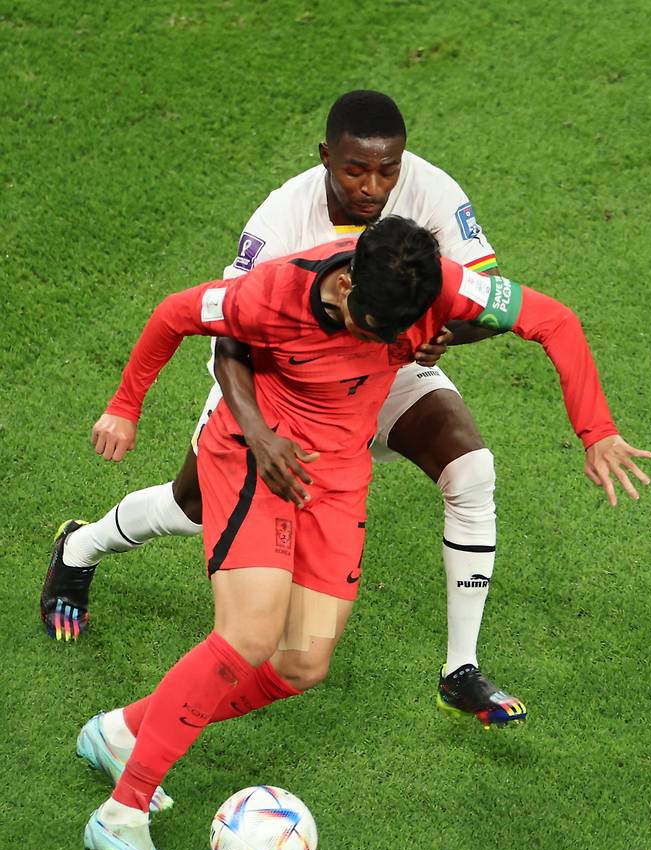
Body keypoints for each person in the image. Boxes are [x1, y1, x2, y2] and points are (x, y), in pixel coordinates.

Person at [77, 217, 651, 850]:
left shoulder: (431, 287)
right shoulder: (273, 293)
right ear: (345, 284)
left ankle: (121, 735)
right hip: (257, 457)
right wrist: (124, 406)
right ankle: (123, 811)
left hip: (339, 474)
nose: (385, 344)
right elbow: (175, 316)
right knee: (250, 635)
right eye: (375, 327)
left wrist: (597, 431)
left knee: (302, 663)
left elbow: (553, 320)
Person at [41, 90, 522, 726]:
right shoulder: (282, 218)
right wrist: (260, 434)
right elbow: (226, 335)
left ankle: (459, 670)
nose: (373, 186)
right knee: (192, 509)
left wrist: (444, 334)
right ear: (326, 156)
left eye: (387, 170)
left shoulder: (433, 191)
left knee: (472, 472)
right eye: (355, 170)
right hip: (276, 382)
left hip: (383, 365)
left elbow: (490, 303)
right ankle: (82, 547)